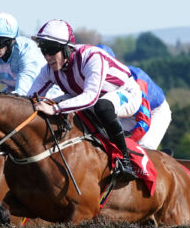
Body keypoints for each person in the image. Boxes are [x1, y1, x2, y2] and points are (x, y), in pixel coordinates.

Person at [27, 19, 144, 181]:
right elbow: (28, 100)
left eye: (52, 50)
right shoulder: (48, 70)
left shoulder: (91, 57)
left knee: (101, 107)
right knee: (45, 104)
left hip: (126, 92)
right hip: (91, 99)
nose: (47, 57)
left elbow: (90, 97)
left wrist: (55, 109)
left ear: (67, 48)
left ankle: (125, 161)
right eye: (43, 50)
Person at [96, 44, 172, 150]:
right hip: (129, 115)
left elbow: (144, 120)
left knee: (142, 148)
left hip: (154, 113)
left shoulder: (136, 80)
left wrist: (125, 144)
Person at [0, 12, 52, 95]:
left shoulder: (27, 50)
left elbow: (22, 93)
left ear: (12, 41)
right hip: (13, 89)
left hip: (47, 90)